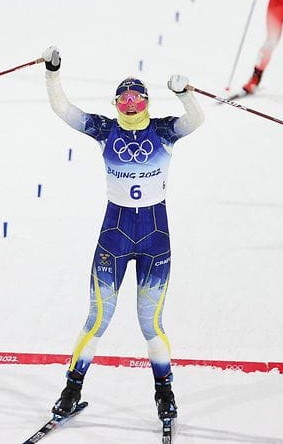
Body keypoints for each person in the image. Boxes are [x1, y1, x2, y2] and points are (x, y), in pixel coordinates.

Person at [41, 46, 204, 424]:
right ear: (116, 103)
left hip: (154, 239)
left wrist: (185, 94)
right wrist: (53, 72)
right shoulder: (105, 130)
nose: (130, 105)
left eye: (136, 98)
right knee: (98, 319)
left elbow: (195, 120)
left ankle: (165, 394)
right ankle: (71, 389)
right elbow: (63, 109)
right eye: (123, 99)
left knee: (151, 325)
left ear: (146, 102)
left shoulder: (163, 131)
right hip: (113, 237)